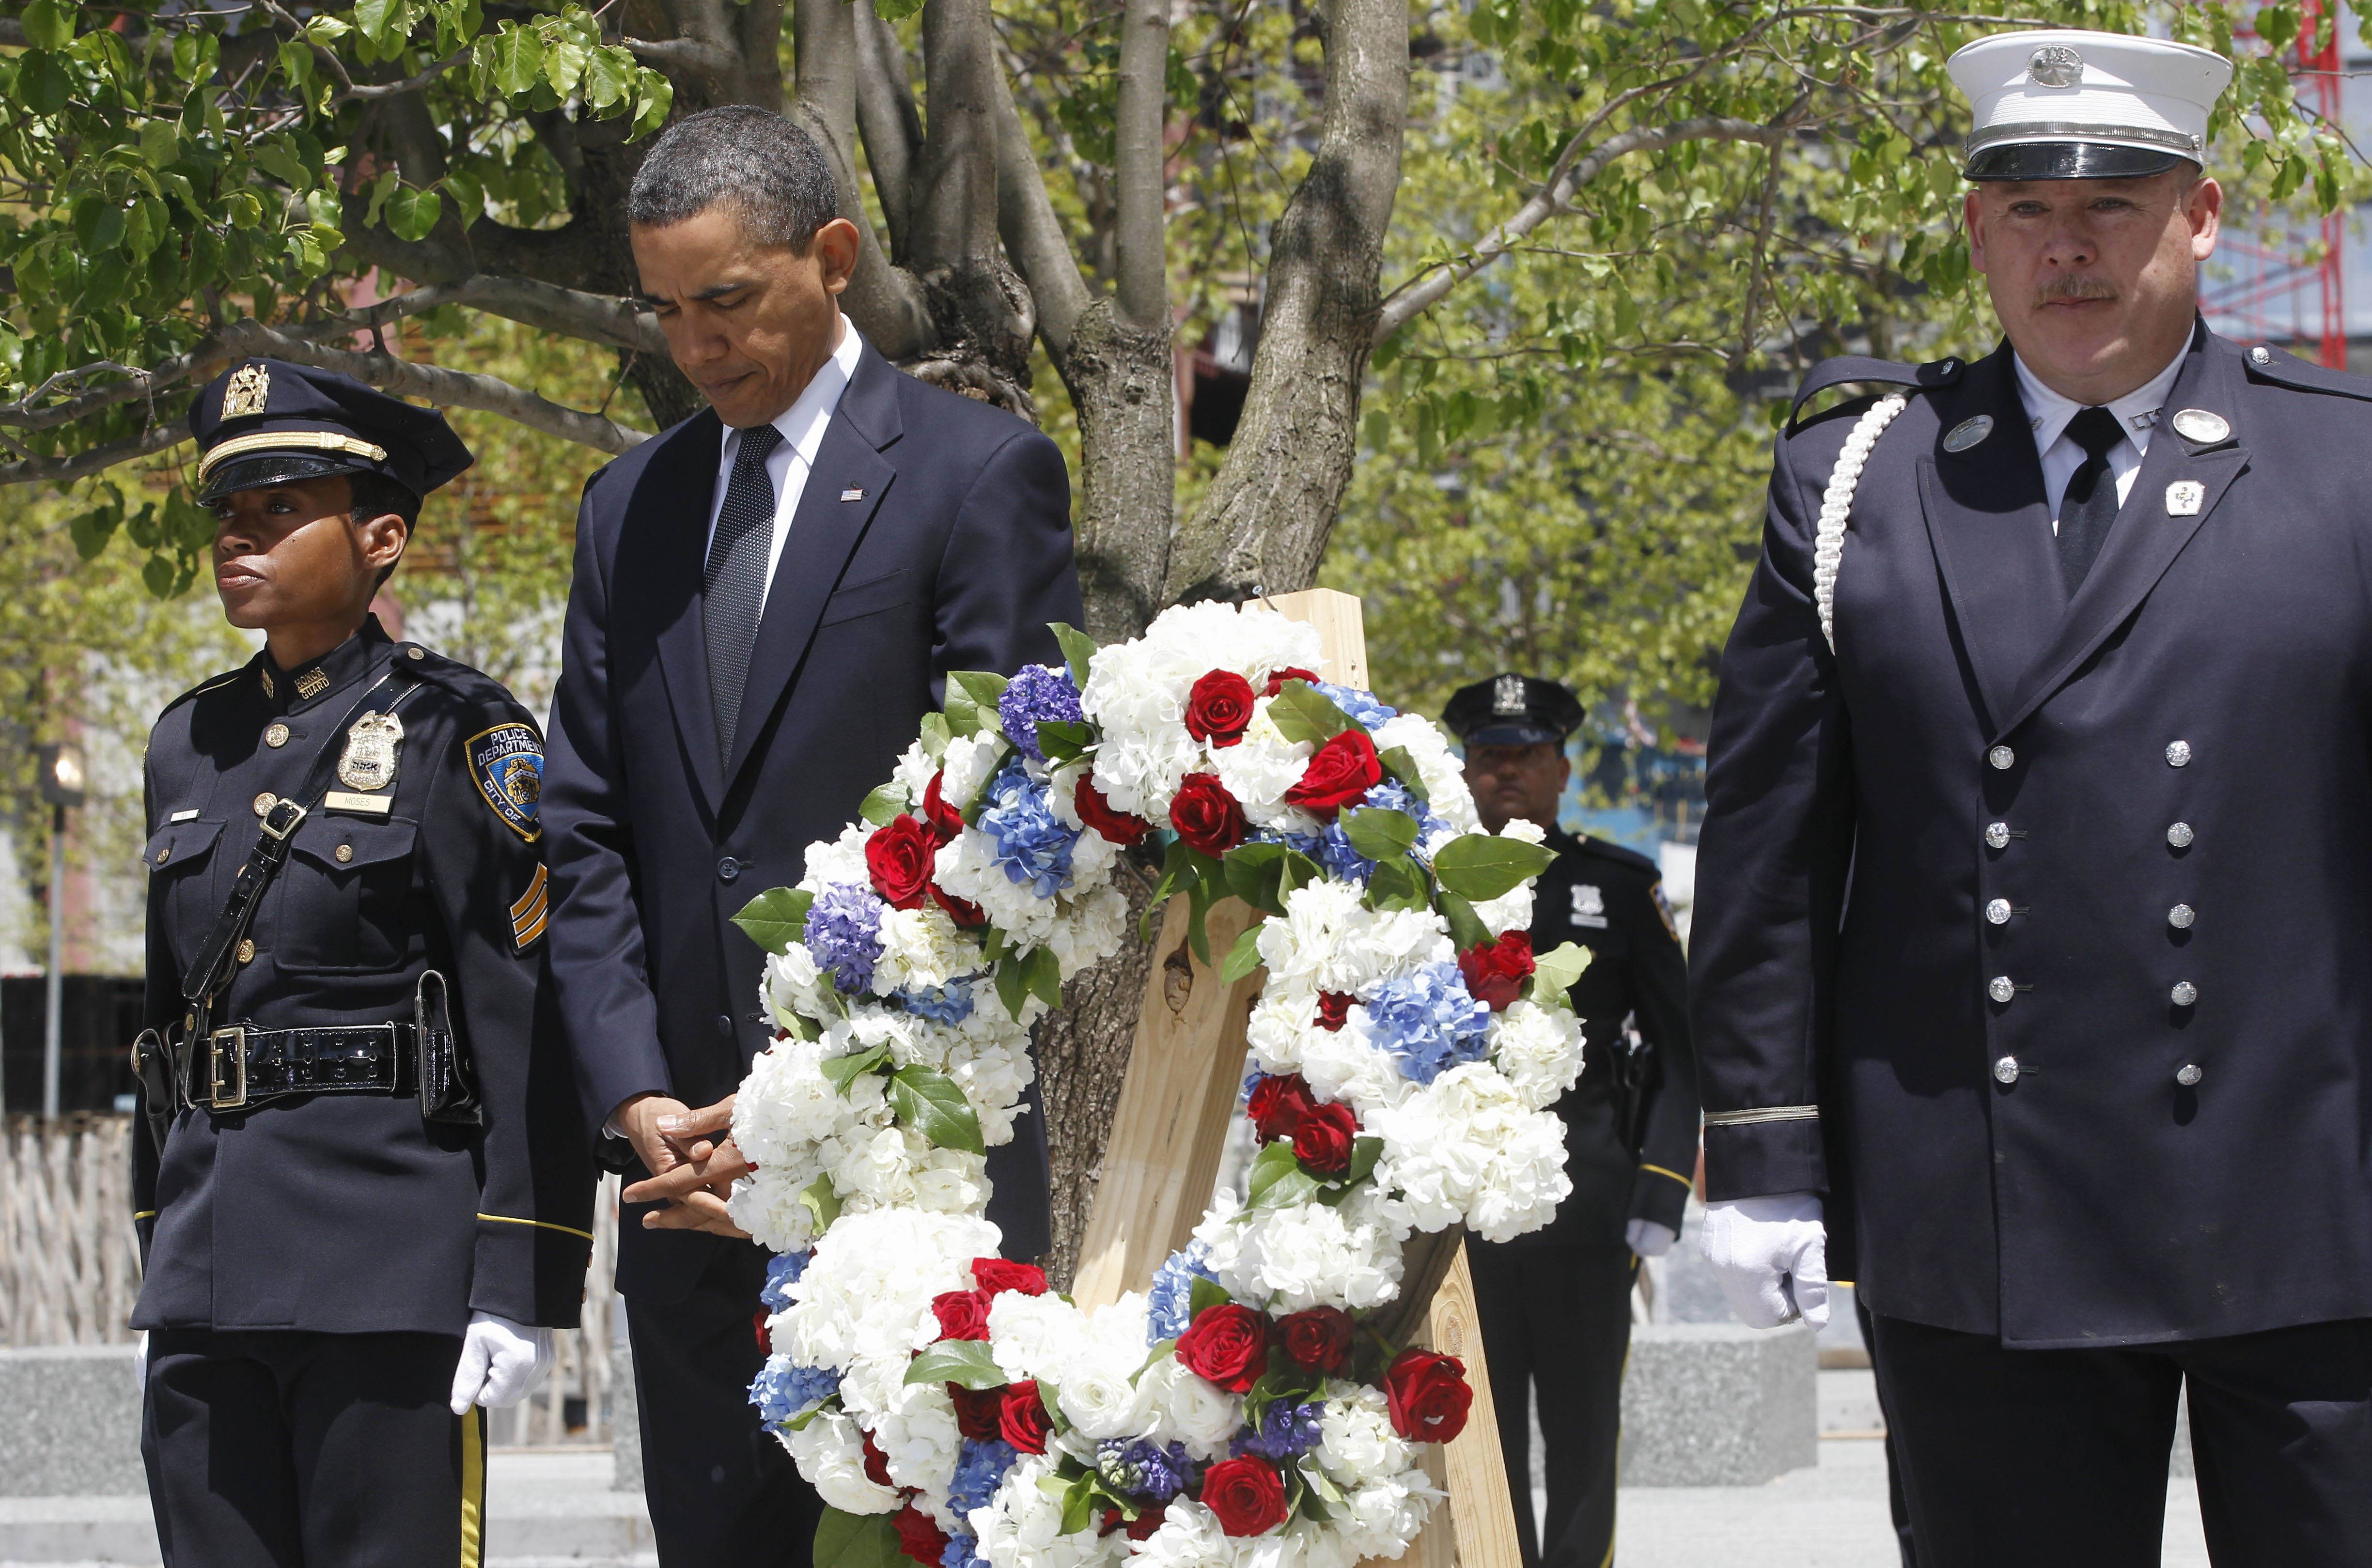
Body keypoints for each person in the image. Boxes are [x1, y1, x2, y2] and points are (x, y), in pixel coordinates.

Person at [1690, 27, 2372, 1566]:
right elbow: (1772, 851)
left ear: (2201, 215)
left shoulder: (2345, 472)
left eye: (2113, 207)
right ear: (1977, 228)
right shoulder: (1865, 478)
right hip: (1989, 1207)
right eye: (2029, 210)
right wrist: (1769, 1148)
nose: (2069, 249)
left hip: (2312, 1196)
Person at [540, 106, 1084, 1567]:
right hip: (683, 1179)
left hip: (905, 1171)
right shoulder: (625, 512)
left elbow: (1007, 835)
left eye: (727, 300)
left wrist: (802, 1119)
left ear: (831, 257)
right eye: (666, 311)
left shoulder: (977, 475)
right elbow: (581, 826)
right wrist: (636, 1087)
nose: (698, 345)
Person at [130, 359, 595, 1566]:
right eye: (227, 510)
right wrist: (157, 1256)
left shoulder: (459, 726)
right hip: (206, 1273)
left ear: (381, 534)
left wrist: (516, 1274)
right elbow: (166, 1022)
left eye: (280, 506)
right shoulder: (188, 743)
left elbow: (520, 1012)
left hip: (390, 1273)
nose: (240, 533)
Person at [1442, 674, 1699, 1568]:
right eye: (1490, 756)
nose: (1507, 772)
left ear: (1561, 767)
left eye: (1527, 755)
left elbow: (1681, 1050)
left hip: (1588, 1209)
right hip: (1460, 1220)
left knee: (1586, 1433)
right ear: (1466, 770)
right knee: (1479, 1434)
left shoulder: (1617, 886)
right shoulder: (1424, 889)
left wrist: (1660, 1191)